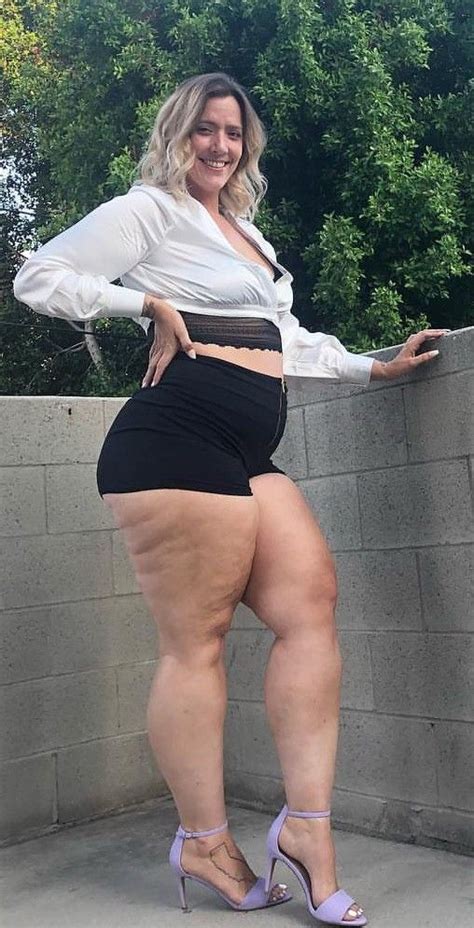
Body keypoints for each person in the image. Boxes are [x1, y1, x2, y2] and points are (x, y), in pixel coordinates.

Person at [14, 72, 449, 926]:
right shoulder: (149, 211)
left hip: (248, 446)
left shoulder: (246, 233)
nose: (220, 145)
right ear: (177, 134)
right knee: (197, 644)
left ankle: (308, 828)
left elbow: (285, 340)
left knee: (310, 608)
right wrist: (144, 301)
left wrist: (373, 368)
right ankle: (205, 842)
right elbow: (39, 275)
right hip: (174, 438)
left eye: (234, 131)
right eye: (204, 129)